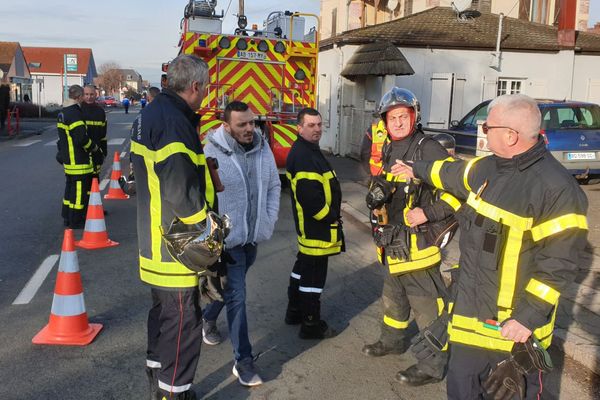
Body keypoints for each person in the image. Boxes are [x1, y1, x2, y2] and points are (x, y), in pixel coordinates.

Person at [394, 94, 588, 399]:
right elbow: (448, 173)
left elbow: (558, 265)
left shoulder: (558, 190)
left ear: (510, 136)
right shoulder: (487, 168)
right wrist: (414, 168)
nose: (482, 131)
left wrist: (528, 317)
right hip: (468, 322)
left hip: (512, 334)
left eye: (487, 127)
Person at [362, 87, 460, 386]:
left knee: (428, 307)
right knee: (394, 298)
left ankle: (432, 365)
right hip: (393, 244)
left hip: (418, 247)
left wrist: (427, 213)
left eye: (403, 116)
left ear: (414, 117)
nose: (399, 123)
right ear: (385, 122)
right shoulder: (391, 147)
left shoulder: (427, 148)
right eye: (392, 118)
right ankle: (392, 340)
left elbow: (458, 193)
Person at [130, 54, 215, 400]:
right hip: (175, 247)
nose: (206, 94)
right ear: (194, 87)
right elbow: (180, 190)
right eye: (206, 88)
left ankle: (158, 386)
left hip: (154, 241)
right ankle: (173, 394)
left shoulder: (155, 112)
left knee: (162, 319)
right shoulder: (174, 122)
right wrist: (208, 232)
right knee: (183, 325)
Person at [201, 100, 281, 386]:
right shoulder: (210, 152)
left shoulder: (262, 147)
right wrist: (212, 236)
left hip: (252, 238)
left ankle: (207, 317)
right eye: (242, 124)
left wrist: (268, 220)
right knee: (238, 296)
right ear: (227, 126)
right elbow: (203, 197)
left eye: (252, 122)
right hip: (228, 242)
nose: (250, 128)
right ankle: (243, 361)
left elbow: (274, 185)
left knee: (229, 292)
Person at [285, 107, 344, 339]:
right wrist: (331, 218)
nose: (317, 129)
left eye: (319, 124)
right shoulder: (305, 156)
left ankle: (294, 311)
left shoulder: (307, 150)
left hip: (310, 231)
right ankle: (310, 323)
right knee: (313, 280)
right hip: (317, 231)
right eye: (311, 125)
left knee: (302, 270)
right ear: (299, 128)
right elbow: (310, 200)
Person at [56, 85, 104, 229]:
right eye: (84, 95)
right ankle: (75, 221)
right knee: (78, 193)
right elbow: (81, 138)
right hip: (79, 161)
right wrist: (94, 148)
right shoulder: (74, 113)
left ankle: (67, 216)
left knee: (69, 191)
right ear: (79, 97)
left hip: (69, 160)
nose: (85, 98)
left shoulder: (64, 112)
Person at [82, 84, 107, 178]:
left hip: (96, 153)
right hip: (81, 154)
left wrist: (104, 152)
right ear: (82, 95)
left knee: (95, 185)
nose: (89, 97)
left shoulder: (100, 112)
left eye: (91, 94)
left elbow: (103, 135)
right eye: (86, 94)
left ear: (96, 95)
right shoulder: (78, 110)